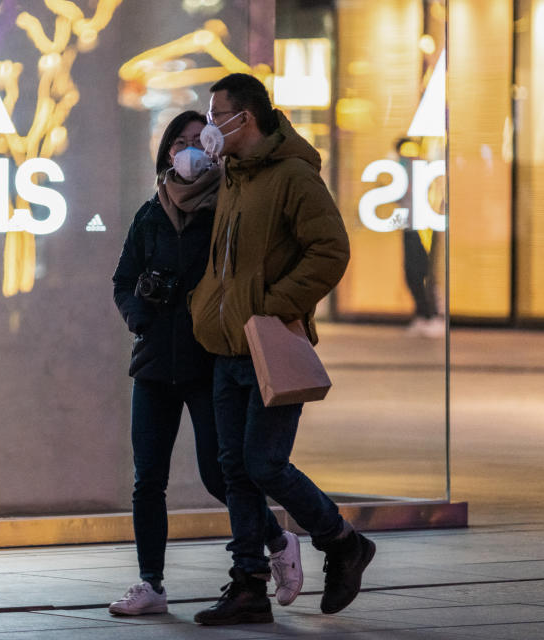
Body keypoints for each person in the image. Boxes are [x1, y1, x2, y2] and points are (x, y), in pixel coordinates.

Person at [188, 74, 375, 626]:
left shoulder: (293, 176)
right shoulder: (236, 178)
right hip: (228, 346)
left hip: (268, 345)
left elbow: (330, 250)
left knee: (262, 463)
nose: (209, 124)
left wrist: (271, 305)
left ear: (243, 119)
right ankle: (247, 583)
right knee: (233, 470)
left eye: (216, 113)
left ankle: (340, 538)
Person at [110, 110, 302, 617]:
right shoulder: (151, 213)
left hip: (205, 363)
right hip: (152, 365)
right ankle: (150, 583)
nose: (190, 150)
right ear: (166, 151)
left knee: (221, 475)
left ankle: (278, 542)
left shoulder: (227, 212)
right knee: (147, 479)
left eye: (200, 140)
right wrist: (139, 316)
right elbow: (123, 279)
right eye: (180, 141)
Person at [394, 137, 443, 338]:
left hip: (420, 227)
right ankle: (423, 314)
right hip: (412, 226)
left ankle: (430, 315)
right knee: (414, 273)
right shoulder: (410, 168)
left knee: (419, 272)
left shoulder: (413, 168)